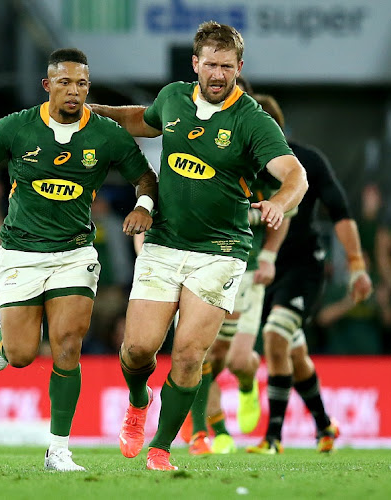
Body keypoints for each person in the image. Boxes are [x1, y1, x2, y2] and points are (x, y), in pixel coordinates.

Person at [90, 22, 308, 470]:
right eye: (210, 64)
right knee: (137, 350)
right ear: (195, 64)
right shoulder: (173, 98)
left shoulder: (252, 120)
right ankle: (138, 401)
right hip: (165, 242)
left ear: (238, 69)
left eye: (227, 67)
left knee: (190, 354)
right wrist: (94, 112)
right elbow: (140, 119)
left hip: (221, 251)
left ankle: (162, 447)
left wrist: (279, 204)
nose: (217, 74)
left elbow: (295, 175)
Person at [0, 48, 157, 471]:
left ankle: (58, 450)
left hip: (75, 252)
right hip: (21, 251)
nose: (74, 91)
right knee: (23, 355)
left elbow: (145, 176)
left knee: (67, 346)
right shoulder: (17, 127)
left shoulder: (105, 134)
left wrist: (145, 206)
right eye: (64, 82)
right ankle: (4, 336)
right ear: (48, 86)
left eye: (82, 84)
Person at [245, 94, 373, 455]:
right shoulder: (239, 166)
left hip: (304, 267)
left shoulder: (306, 163)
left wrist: (357, 266)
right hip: (261, 273)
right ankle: (325, 426)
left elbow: (341, 213)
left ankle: (273, 438)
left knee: (274, 337)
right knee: (293, 354)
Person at [179, 171, 292, 455]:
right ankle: (211, 431)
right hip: (209, 267)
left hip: (249, 273)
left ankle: (246, 384)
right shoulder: (212, 165)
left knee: (238, 360)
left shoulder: (271, 180)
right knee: (204, 354)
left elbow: (285, 214)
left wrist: (268, 256)